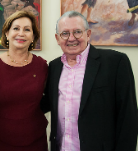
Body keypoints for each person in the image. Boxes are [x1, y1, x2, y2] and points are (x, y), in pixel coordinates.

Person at [41, 11, 138, 151]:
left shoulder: (115, 62)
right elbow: (45, 103)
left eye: (78, 32)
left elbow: (128, 118)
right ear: (57, 38)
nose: (71, 38)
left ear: (88, 34)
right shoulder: (54, 67)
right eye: (65, 33)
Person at [0, 11, 48, 151]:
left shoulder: (42, 66)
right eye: (16, 28)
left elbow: (46, 100)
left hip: (36, 142)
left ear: (33, 36)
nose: (21, 33)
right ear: (6, 33)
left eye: (27, 29)